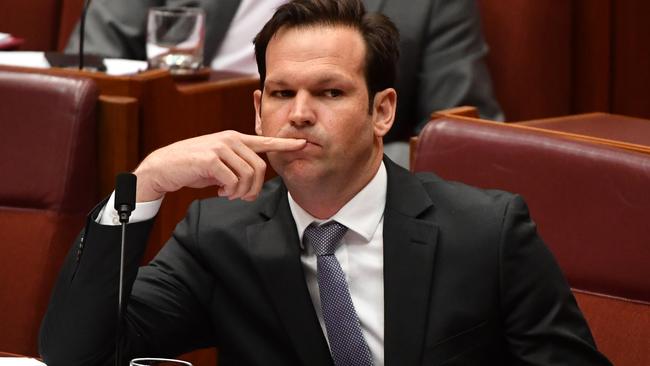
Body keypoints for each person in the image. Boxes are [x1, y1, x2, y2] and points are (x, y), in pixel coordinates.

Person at [42, 0, 610, 365]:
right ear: (259, 109)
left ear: (382, 112)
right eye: (283, 95)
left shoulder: (487, 232)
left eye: (330, 93)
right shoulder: (218, 237)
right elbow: (75, 353)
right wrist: (143, 185)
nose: (301, 114)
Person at [66, 0, 503, 166]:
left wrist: (343, 161)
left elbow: (462, 141)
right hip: (160, 155)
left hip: (332, 177)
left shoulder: (430, 6)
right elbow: (80, 74)